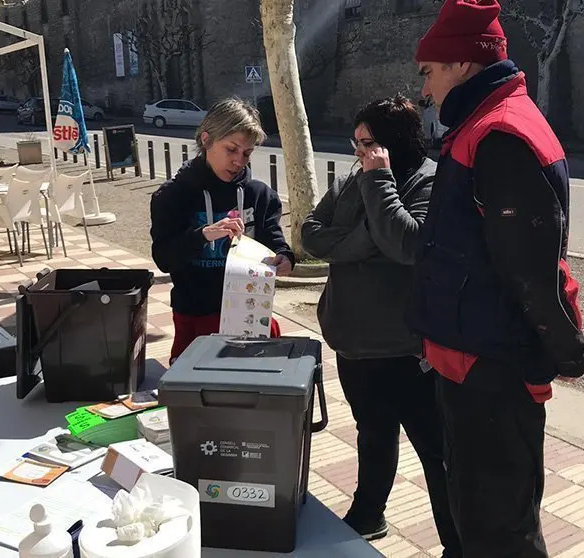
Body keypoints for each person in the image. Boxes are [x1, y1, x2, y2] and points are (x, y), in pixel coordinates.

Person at [409, 1, 584, 556]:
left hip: (490, 369)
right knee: (478, 518)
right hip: (472, 359)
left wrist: (570, 351)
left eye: (429, 72)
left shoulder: (500, 134)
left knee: (500, 530)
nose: (425, 90)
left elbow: (531, 272)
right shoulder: (483, 124)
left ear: (463, 64)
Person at [301, 96, 461, 556]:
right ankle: (368, 513)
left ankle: (456, 542)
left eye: (368, 143)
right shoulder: (354, 179)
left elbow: (407, 243)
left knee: (437, 454)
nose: (359, 153)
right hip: (353, 344)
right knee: (372, 437)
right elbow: (311, 233)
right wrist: (362, 240)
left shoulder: (431, 181)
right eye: (356, 143)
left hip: (408, 351)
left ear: (393, 142)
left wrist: (379, 182)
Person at [150, 97, 294, 361]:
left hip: (251, 315)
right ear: (206, 140)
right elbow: (163, 258)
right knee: (197, 395)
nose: (239, 161)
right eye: (231, 149)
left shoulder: (259, 195)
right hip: (194, 313)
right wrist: (203, 235)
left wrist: (285, 257)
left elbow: (274, 241)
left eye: (247, 153)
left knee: (255, 393)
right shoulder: (173, 195)